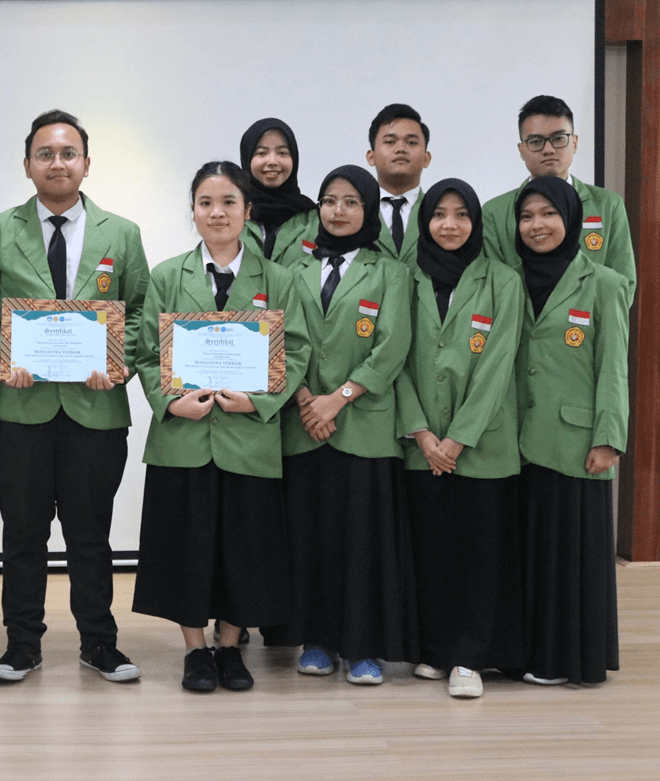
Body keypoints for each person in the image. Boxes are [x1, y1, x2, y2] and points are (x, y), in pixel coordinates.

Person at [0, 109, 150, 684]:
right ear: (27, 165)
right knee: (22, 532)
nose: (57, 163)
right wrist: (2, 357)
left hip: (95, 408)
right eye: (44, 154)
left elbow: (141, 314)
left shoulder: (122, 233)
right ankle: (21, 645)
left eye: (68, 153)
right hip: (17, 408)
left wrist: (116, 363)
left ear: (86, 164)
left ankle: (100, 643)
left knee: (89, 534)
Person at [131, 161, 308, 692]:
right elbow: (146, 353)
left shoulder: (278, 280)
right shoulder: (168, 276)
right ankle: (195, 650)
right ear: (192, 211)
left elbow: (296, 351)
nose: (217, 213)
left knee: (246, 550)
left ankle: (229, 647)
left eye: (229, 202)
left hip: (248, 437)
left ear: (247, 211)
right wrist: (169, 403)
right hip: (183, 437)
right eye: (206, 203)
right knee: (186, 548)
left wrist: (258, 401)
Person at [265, 164, 416, 685]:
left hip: (364, 426)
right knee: (311, 538)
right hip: (303, 424)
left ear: (369, 209)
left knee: (363, 541)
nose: (338, 210)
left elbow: (392, 346)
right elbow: (280, 338)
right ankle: (317, 640)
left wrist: (338, 399)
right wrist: (306, 399)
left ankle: (364, 647)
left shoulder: (390, 272)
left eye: (351, 202)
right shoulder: (292, 270)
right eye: (329, 201)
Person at [394, 178, 525, 699]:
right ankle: (436, 649)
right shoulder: (405, 278)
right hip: (420, 444)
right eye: (438, 214)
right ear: (425, 222)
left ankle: (469, 658)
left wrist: (458, 439)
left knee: (479, 555)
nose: (449, 224)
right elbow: (396, 359)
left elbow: (498, 365)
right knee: (430, 552)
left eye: (461, 214)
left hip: (482, 446)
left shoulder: (503, 280)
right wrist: (422, 432)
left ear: (476, 221)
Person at [511, 176, 628, 686]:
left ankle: (568, 659)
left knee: (570, 556)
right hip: (515, 440)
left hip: (577, 442)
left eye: (548, 214)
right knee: (529, 554)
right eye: (526, 216)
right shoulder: (508, 280)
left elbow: (614, 367)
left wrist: (609, 437)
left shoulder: (604, 283)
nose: (536, 226)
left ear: (572, 219)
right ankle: (526, 653)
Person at [481, 95, 636, 303]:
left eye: (559, 138)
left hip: (588, 322)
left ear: (575, 142)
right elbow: (493, 288)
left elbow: (623, 284)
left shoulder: (608, 204)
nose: (548, 149)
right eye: (536, 141)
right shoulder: (494, 212)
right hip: (521, 322)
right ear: (521, 150)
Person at [238, 118, 319, 267]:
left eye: (282, 153)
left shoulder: (316, 219)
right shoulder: (233, 215)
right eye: (262, 153)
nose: (272, 161)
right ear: (247, 158)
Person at [365, 104, 432, 265]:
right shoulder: (353, 212)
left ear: (426, 158)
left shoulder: (439, 213)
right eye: (390, 141)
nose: (401, 149)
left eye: (411, 142)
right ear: (371, 157)